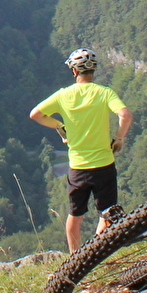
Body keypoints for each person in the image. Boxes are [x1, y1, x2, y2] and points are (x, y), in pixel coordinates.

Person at [30, 48, 134, 253]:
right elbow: (125, 115)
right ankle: (96, 252)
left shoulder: (63, 95)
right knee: (107, 213)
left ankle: (75, 259)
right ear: (93, 71)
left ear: (74, 72)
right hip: (104, 163)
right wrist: (119, 138)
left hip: (78, 167)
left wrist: (59, 126)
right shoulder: (104, 93)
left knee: (74, 215)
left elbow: (36, 114)